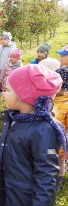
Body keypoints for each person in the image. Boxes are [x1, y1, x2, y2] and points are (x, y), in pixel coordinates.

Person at [0, 65, 66, 206]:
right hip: (15, 193)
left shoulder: (43, 130)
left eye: (9, 90)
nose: (4, 93)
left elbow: (47, 172)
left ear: (24, 96)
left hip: (29, 203)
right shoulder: (16, 119)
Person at [54, 45, 68, 191]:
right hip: (49, 142)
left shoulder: (66, 104)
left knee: (60, 163)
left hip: (62, 144)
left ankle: (57, 184)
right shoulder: (50, 99)